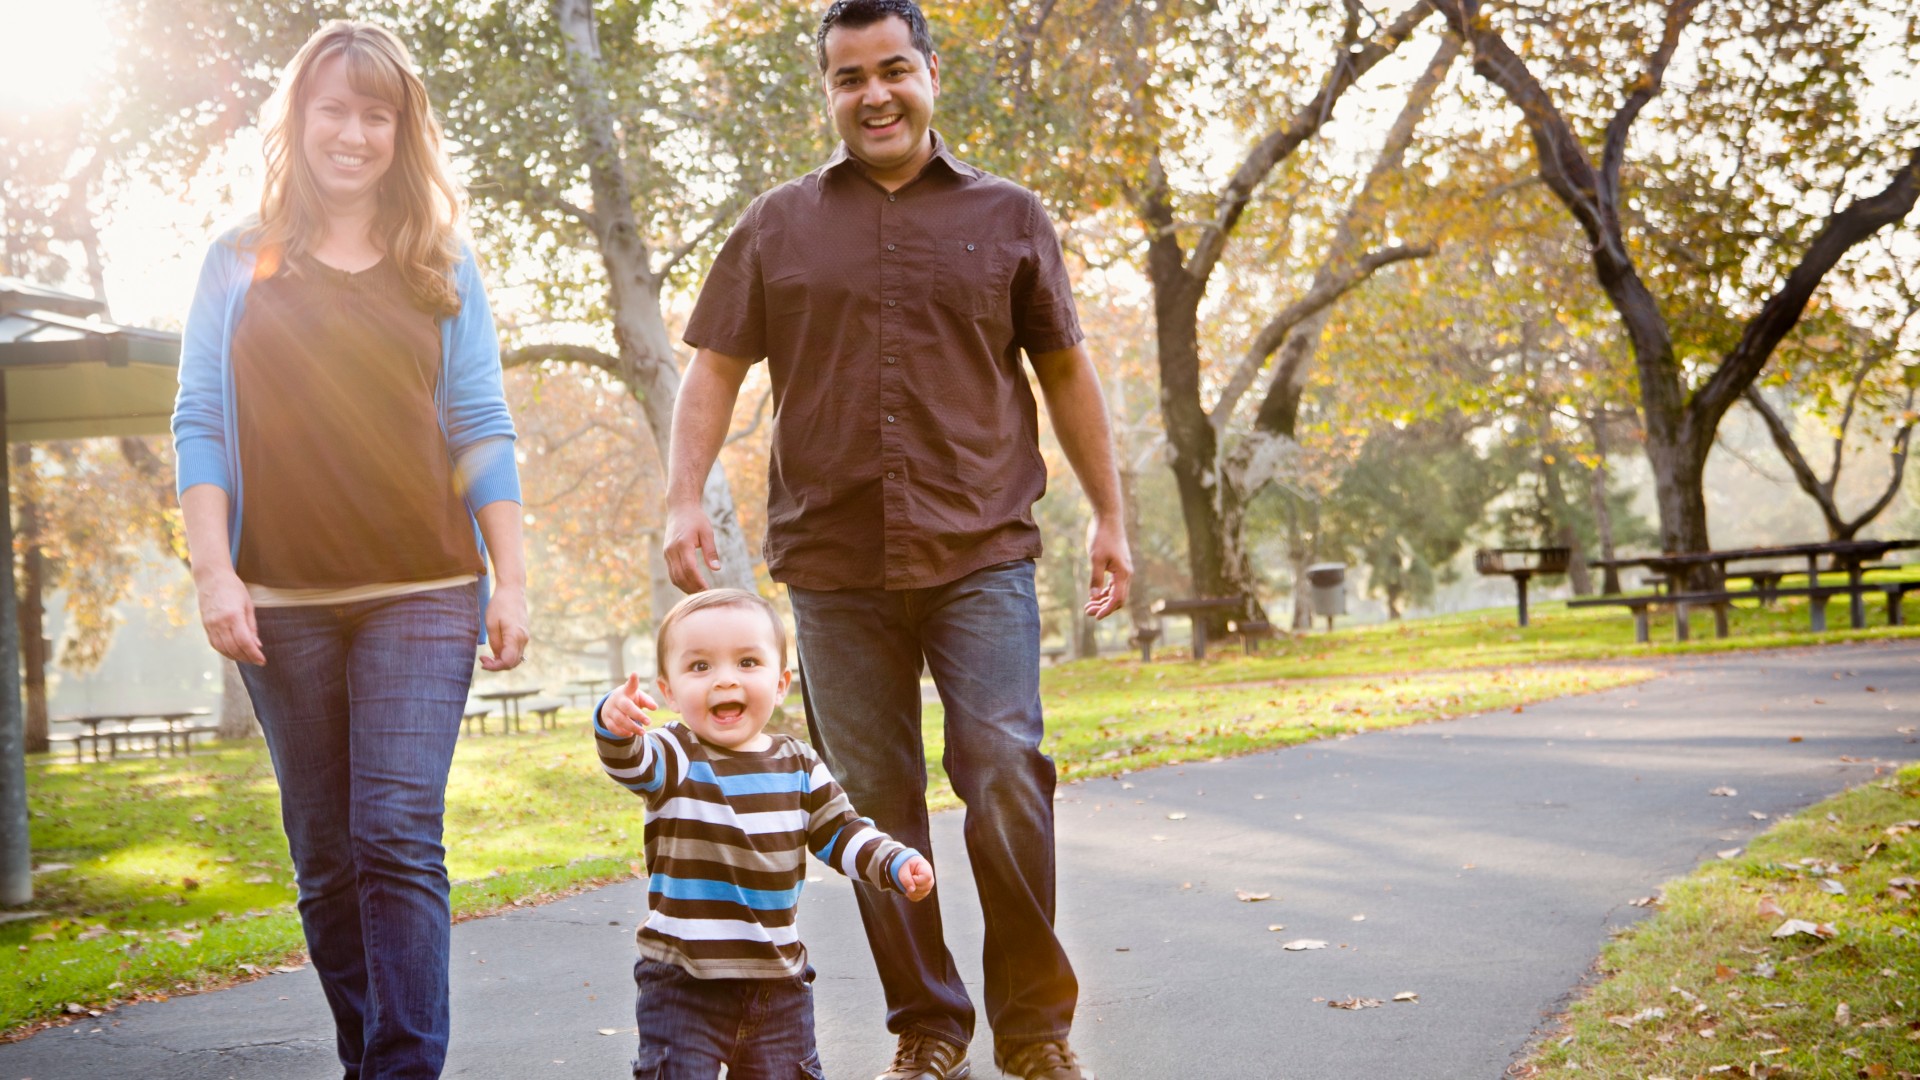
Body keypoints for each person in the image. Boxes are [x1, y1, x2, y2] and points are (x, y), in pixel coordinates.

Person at [661, 3, 1131, 1077]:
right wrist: (684, 494)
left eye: (892, 70)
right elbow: (714, 367)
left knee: (1004, 771)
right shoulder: (777, 224)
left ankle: (1035, 1029)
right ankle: (928, 1027)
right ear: (826, 91)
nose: (873, 94)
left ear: (929, 72)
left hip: (981, 551)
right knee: (873, 808)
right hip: (832, 565)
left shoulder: (1010, 216)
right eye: (847, 77)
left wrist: (1109, 515)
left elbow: (1064, 368)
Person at [171, 20, 528, 1080]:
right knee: (326, 860)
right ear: (300, 117)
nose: (355, 132)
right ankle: (367, 1056)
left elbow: (479, 421)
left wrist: (512, 576)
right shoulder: (237, 260)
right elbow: (197, 417)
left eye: (378, 114)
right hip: (279, 596)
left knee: (395, 831)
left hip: (426, 587)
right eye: (336, 108)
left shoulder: (439, 263)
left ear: (402, 131)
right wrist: (213, 569)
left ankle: (406, 1068)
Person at [595, 589, 937, 1079]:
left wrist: (892, 861)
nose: (725, 679)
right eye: (699, 668)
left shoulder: (798, 763)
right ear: (668, 691)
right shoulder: (675, 753)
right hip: (684, 983)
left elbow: (840, 832)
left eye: (747, 662)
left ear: (780, 684)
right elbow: (631, 763)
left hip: (778, 983)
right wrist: (614, 726)